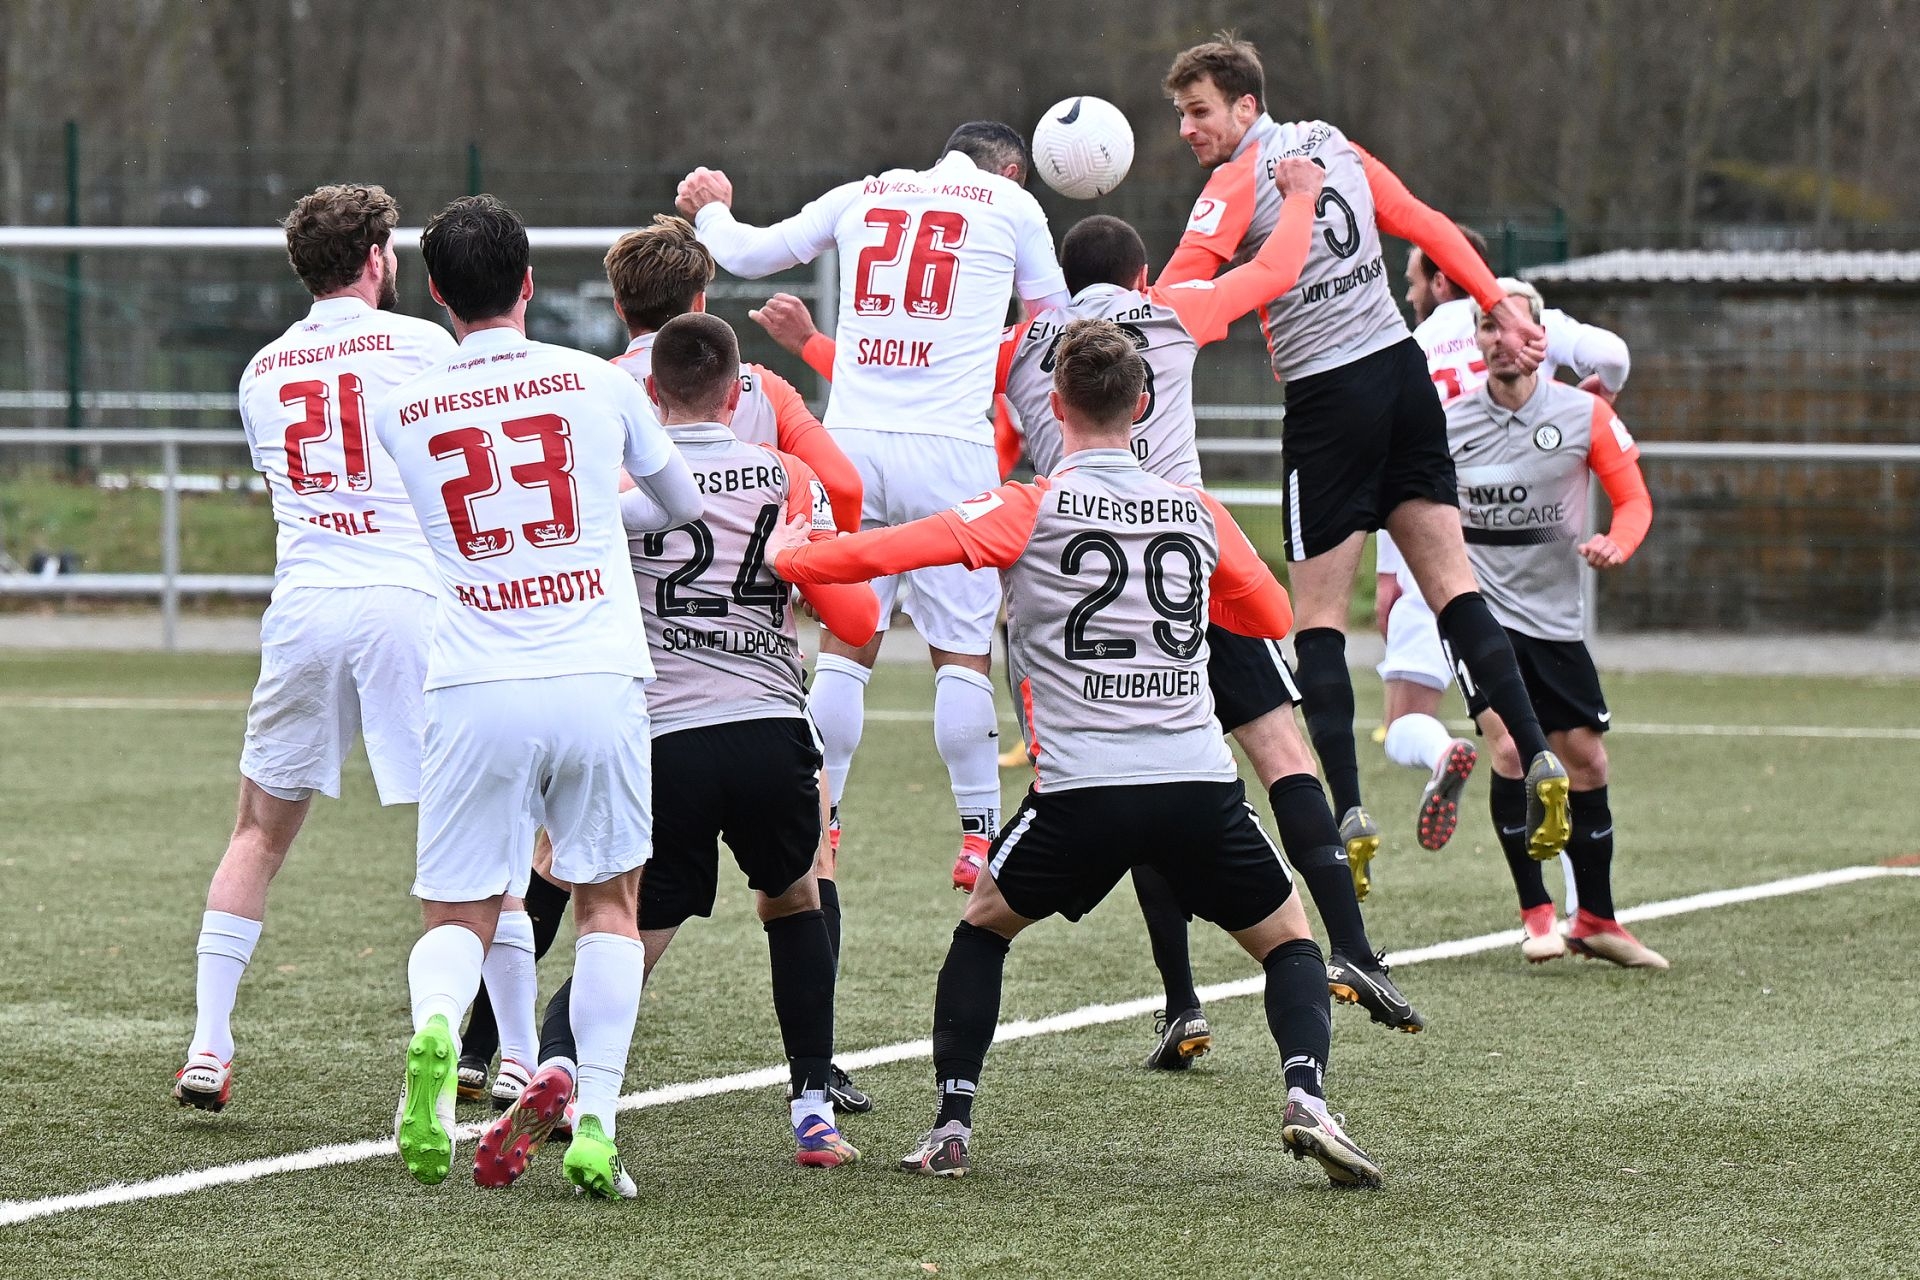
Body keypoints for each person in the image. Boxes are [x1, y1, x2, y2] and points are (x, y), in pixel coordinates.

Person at [756, 172, 1425, 1046]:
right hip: (1192, 563)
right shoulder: (1176, 310)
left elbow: (928, 392)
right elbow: (1275, 270)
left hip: (1072, 587)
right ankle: (1351, 949)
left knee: (1128, 770)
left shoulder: (1026, 343)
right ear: (1142, 279)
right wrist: (1299, 195)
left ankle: (1180, 1000)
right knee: (1281, 757)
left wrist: (813, 345)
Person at [770, 319, 1384, 1187]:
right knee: (1289, 941)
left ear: (1055, 407)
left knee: (984, 927)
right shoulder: (1197, 510)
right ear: (1143, 404)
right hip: (1194, 780)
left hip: (1080, 789)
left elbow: (887, 550)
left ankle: (951, 1124)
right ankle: (1307, 1097)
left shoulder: (1028, 505)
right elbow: (1273, 615)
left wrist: (800, 554)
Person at [454, 214, 872, 1116]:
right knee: (803, 880)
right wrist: (810, 556)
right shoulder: (761, 398)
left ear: (618, 306)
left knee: (571, 870)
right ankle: (815, 1085)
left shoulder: (593, 386)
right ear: (705, 298)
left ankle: (499, 1049)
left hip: (634, 685)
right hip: (760, 687)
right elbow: (840, 491)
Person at [1159, 33, 1572, 879]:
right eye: (1181, 115)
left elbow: (1174, 297)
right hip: (1403, 377)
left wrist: (1111, 311)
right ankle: (1537, 753)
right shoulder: (1333, 143)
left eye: (1198, 112)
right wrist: (1498, 304)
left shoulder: (1234, 184)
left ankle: (1347, 812)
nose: (1187, 129)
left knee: (1316, 617)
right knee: (1455, 587)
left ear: (1246, 106)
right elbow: (1425, 224)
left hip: (1330, 398)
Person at [372, 195, 702, 1197]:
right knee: (609, 906)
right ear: (528, 283)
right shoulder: (597, 381)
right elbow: (683, 505)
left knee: (458, 909)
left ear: (438, 295)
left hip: (476, 681)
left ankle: (440, 1028)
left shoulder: (401, 407)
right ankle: (596, 1121)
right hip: (597, 673)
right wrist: (599, 516)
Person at [677, 121, 1071, 892]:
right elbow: (1053, 322)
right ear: (1010, 171)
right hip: (950, 448)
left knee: (846, 646)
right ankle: (978, 837)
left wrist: (713, 208)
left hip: (852, 445)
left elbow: (749, 253)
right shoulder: (1010, 204)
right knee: (961, 651)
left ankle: (824, 815)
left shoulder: (866, 192)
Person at [173, 184, 455, 1113]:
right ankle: (511, 1053)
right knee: (462, 831)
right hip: (405, 599)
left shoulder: (261, 369)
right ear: (375, 259)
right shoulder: (423, 346)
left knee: (257, 833)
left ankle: (209, 1043)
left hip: (305, 605)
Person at [1370, 229, 1634, 853]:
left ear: (1441, 280)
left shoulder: (1410, 347)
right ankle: (1574, 896)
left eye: (1413, 281)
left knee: (1406, 718)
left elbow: (1393, 466)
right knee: (1547, 747)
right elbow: (1613, 354)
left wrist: (1388, 574)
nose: (1409, 294)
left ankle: (1442, 752)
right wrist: (1600, 394)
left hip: (1430, 558)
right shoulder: (1527, 319)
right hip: (1520, 562)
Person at [1447, 281, 1665, 968]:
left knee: (1587, 761)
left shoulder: (1584, 414)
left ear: (1540, 339)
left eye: (1514, 327)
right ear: (1477, 340)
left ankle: (1595, 918)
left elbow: (1634, 501)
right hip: (1478, 615)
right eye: (1488, 327)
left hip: (1555, 620)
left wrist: (1617, 544)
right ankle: (1537, 914)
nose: (1501, 340)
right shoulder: (1444, 423)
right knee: (1513, 751)